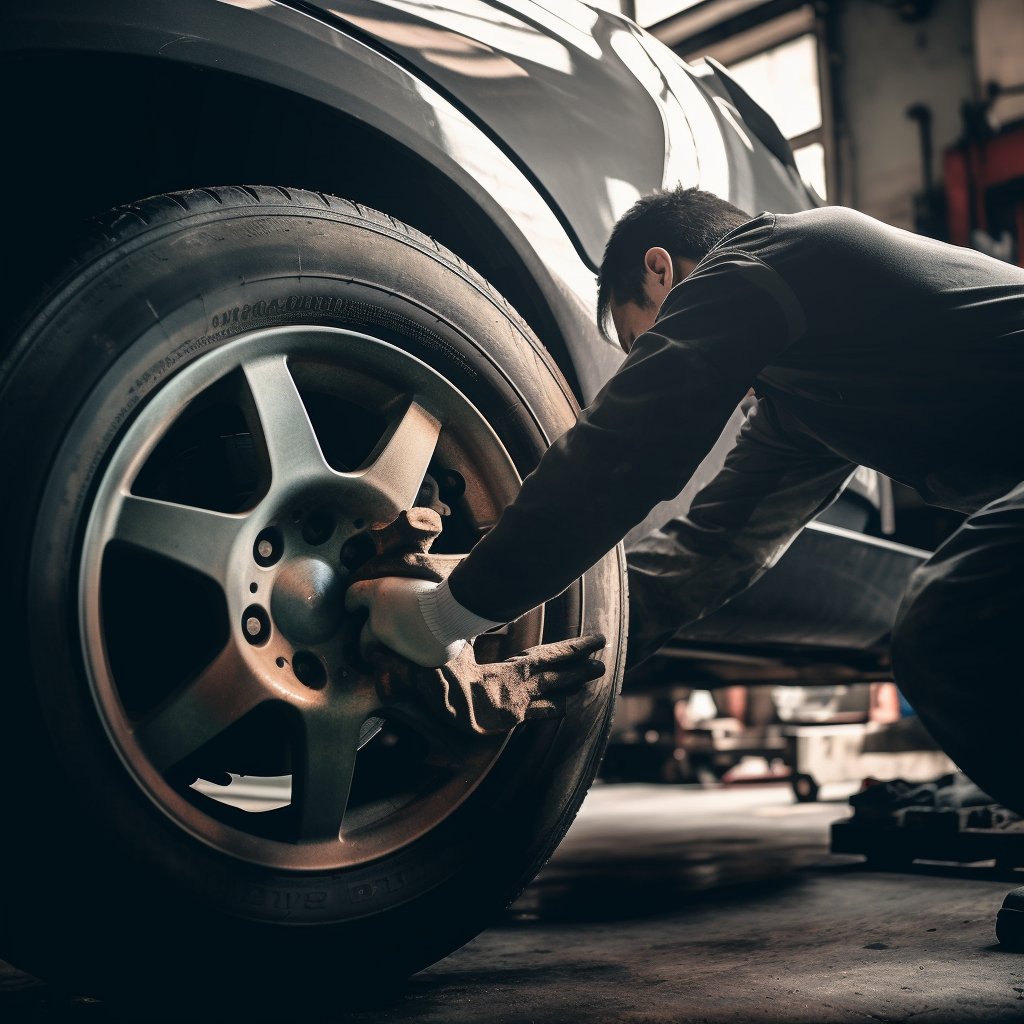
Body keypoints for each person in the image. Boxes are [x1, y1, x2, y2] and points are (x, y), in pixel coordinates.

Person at [347, 186, 1024, 820]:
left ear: (661, 269)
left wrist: (443, 613)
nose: (659, 358)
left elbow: (629, 450)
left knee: (950, 625)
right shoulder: (802, 406)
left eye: (646, 344)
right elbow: (708, 554)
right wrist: (521, 637)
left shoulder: (773, 255)